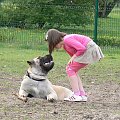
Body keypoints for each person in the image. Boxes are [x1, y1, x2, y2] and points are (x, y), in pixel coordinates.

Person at [45, 29, 104, 102]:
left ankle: (76, 95)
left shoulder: (67, 39)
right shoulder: (65, 45)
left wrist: (74, 57)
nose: (55, 47)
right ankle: (82, 95)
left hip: (89, 49)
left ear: (55, 40)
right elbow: (75, 54)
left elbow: (82, 48)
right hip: (87, 50)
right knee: (72, 70)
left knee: (70, 69)